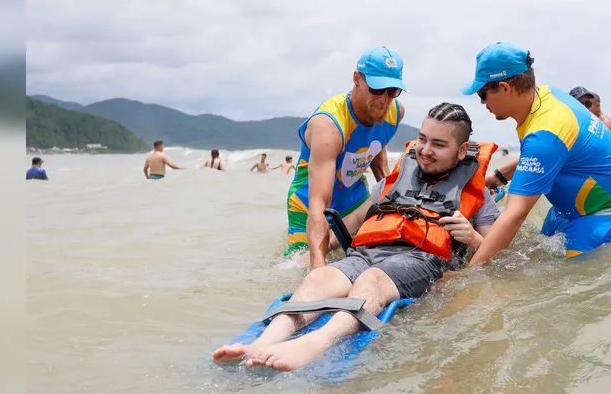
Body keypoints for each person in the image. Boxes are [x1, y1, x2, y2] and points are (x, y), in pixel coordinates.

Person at [213, 103, 498, 371]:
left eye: (438, 144)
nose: (425, 150)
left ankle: (316, 343)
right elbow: (354, 221)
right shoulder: (395, 181)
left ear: (461, 150)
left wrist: (472, 238)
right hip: (366, 253)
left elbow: (497, 254)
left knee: (371, 280)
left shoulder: (478, 196)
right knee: (319, 277)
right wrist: (316, 250)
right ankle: (263, 342)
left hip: (419, 259)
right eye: (422, 139)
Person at [461, 42, 611, 263]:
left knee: (567, 280)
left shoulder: (545, 133)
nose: (483, 102)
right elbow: (551, 153)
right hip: (576, 208)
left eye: (482, 94)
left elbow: (515, 215)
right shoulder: (548, 96)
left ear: (505, 87)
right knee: (534, 252)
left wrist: (466, 278)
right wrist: (499, 177)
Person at [284, 46, 407, 266]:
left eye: (392, 91)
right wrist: (318, 270)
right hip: (309, 206)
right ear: (357, 78)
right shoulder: (329, 125)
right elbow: (319, 204)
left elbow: (379, 166)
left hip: (354, 201)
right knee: (300, 267)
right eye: (377, 89)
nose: (384, 99)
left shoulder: (395, 112)